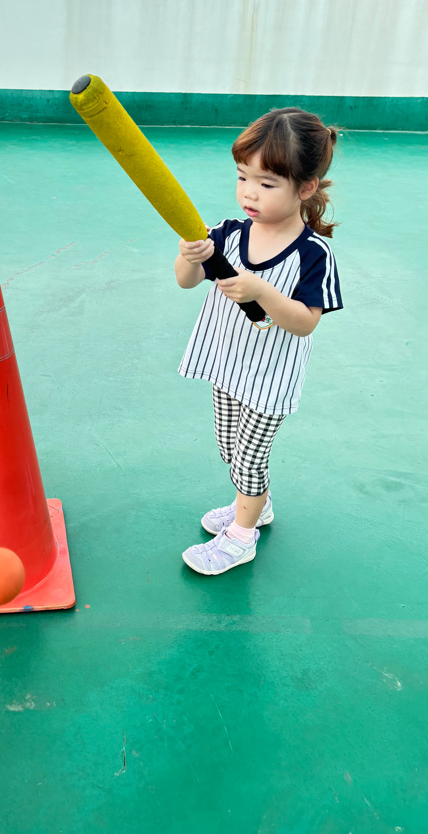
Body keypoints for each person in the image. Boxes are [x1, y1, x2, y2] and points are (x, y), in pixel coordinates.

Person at [175, 108, 342, 576]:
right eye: (242, 177)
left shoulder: (312, 254)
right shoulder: (228, 233)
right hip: (226, 365)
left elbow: (305, 323)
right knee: (229, 448)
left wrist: (261, 291)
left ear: (305, 188)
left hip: (269, 379)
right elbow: (186, 281)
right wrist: (189, 256)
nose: (249, 192)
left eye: (266, 183)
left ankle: (241, 537)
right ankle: (256, 505)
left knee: (250, 458)